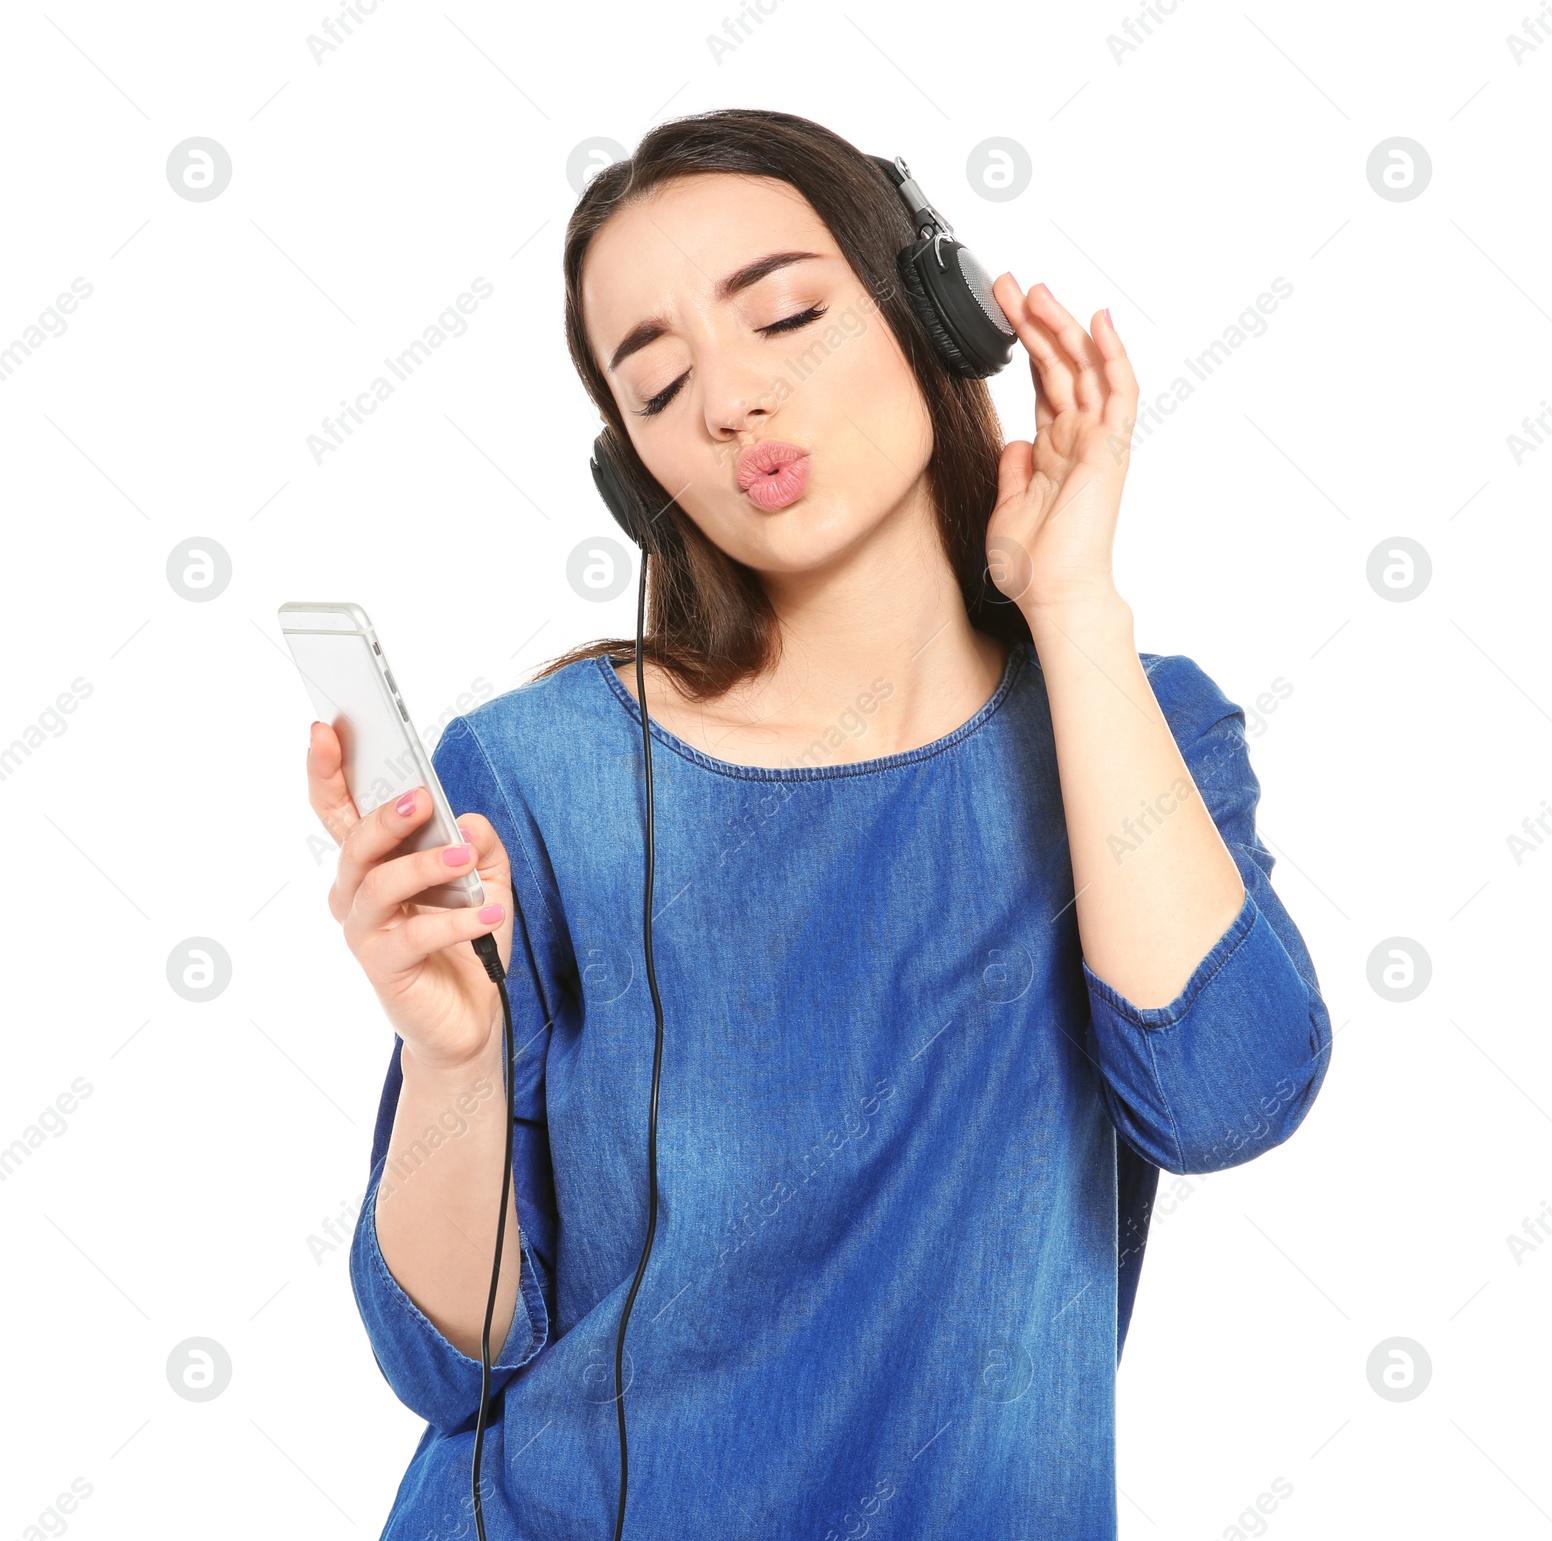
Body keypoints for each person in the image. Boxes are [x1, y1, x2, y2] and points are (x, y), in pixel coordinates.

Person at [306, 107, 1332, 1540]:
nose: (729, 402)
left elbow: (1226, 1096)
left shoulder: (1133, 730)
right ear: (638, 472)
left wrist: (1076, 611)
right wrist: (452, 1058)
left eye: (787, 315)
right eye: (658, 388)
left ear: (931, 313)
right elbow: (445, 1351)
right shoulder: (540, 776)